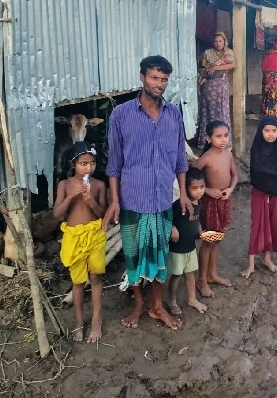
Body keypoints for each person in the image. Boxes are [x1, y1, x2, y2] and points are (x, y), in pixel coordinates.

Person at [103, 55, 193, 331]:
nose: (159, 84)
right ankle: (138, 303)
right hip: (133, 198)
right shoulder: (121, 115)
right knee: (133, 254)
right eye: (154, 78)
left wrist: (186, 193)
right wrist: (114, 200)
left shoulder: (174, 114)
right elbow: (114, 163)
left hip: (162, 199)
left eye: (164, 79)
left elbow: (180, 157)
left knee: (159, 253)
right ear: (142, 77)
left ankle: (156, 306)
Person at [53, 141, 107, 343]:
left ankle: (96, 320)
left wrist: (90, 201)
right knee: (77, 282)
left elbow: (103, 214)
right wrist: (72, 196)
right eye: (83, 164)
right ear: (72, 164)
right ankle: (78, 322)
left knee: (96, 279)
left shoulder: (99, 185)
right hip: (73, 238)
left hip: (94, 235)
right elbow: (57, 214)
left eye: (92, 163)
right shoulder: (64, 185)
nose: (89, 168)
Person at [241, 117, 277, 278]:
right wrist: (273, 179)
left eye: (274, 131)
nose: (270, 135)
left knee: (272, 226)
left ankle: (267, 258)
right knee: (258, 226)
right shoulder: (257, 149)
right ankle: (250, 264)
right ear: (260, 131)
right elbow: (257, 173)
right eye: (266, 131)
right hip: (260, 193)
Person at [194, 120, 238, 297]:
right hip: (210, 205)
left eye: (226, 136)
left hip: (224, 201)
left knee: (218, 239)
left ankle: (212, 274)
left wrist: (230, 189)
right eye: (218, 136)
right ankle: (201, 280)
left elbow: (235, 176)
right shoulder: (206, 158)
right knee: (208, 242)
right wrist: (208, 191)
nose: (223, 140)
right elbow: (193, 180)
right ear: (208, 138)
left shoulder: (228, 154)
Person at [167, 167, 208, 316]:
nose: (199, 191)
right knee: (176, 275)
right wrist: (172, 227)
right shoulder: (178, 204)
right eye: (194, 188)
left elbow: (196, 219)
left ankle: (192, 299)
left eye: (202, 187)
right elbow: (167, 217)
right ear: (185, 188)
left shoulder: (199, 203)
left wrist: (200, 230)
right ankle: (171, 300)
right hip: (177, 248)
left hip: (190, 246)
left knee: (190, 273)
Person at [197, 32, 235, 148]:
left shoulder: (229, 53)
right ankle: (206, 142)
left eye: (220, 41)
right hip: (209, 86)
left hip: (221, 86)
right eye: (215, 41)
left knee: (221, 111)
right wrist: (207, 71)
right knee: (208, 111)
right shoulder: (207, 53)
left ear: (224, 41)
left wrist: (215, 67)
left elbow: (232, 65)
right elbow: (201, 68)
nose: (218, 44)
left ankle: (222, 140)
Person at [260, 37, 277, 118]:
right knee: (269, 97)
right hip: (269, 79)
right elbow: (264, 67)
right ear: (274, 44)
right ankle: (267, 116)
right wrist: (269, 77)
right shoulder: (269, 53)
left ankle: (276, 116)